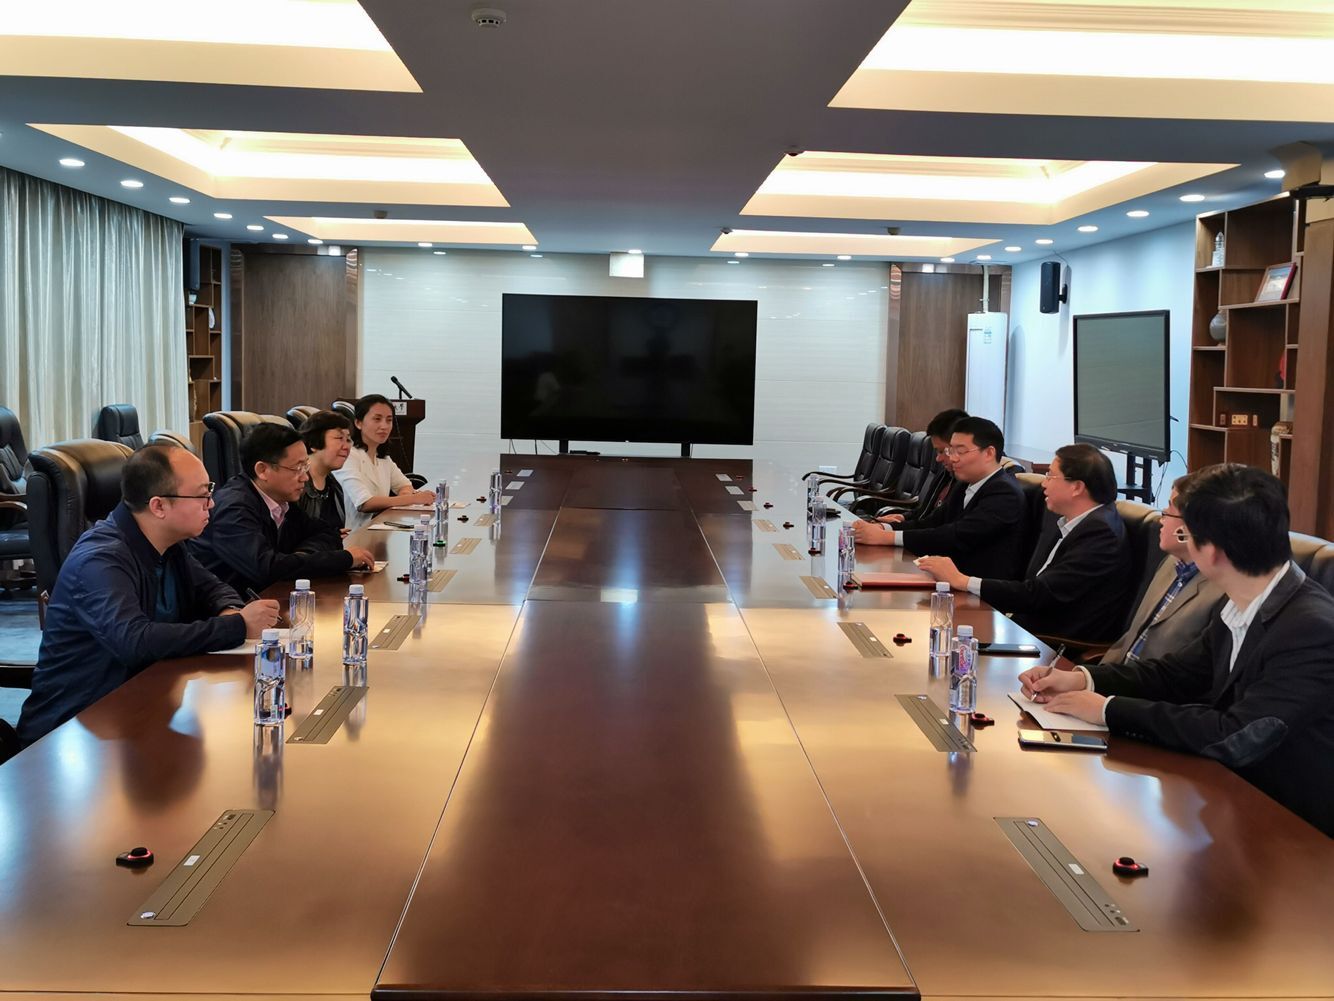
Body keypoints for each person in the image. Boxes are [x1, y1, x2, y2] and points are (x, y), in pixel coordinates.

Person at [1020, 463, 1334, 836]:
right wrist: (1083, 680)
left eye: (1188, 533)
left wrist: (1107, 709)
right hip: (1226, 796)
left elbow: (1238, 735)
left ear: (1211, 550)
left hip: (1292, 826)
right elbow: (1177, 674)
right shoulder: (1242, 600)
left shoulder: (1311, 629)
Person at [17, 445, 279, 746]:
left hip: (145, 706)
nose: (212, 503)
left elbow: (212, 587)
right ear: (158, 506)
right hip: (74, 733)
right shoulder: (100, 560)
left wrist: (230, 609)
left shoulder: (168, 543)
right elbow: (135, 641)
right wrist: (237, 626)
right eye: (202, 495)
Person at [918, 442, 1132, 642]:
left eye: (1051, 476)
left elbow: (1038, 594)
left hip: (1049, 643)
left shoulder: (1100, 535)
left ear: (1077, 487)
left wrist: (962, 581)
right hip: (1023, 626)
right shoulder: (1076, 522)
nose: (1044, 484)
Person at [191, 422, 376, 594]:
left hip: (271, 597)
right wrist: (345, 559)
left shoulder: (280, 499)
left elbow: (327, 532)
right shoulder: (233, 509)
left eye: (306, 466)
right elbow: (267, 569)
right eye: (298, 468)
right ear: (262, 470)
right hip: (232, 606)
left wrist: (302, 555)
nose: (305, 477)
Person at [854, 416, 1027, 581]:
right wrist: (883, 528)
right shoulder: (964, 484)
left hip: (979, 590)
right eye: (951, 450)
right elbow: (931, 522)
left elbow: (956, 535)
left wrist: (886, 537)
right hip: (948, 578)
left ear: (989, 453)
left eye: (960, 451)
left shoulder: (1005, 493)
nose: (952, 458)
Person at [1098, 474, 1225, 664]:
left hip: (1150, 682)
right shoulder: (1170, 563)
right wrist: (1089, 676)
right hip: (1118, 675)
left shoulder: (1222, 593)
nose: (1162, 517)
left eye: (1170, 508)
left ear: (1192, 525)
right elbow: (1130, 639)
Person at [334, 394, 435, 531]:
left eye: (389, 420)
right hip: (355, 534)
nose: (384, 426)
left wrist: (406, 495)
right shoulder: (348, 456)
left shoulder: (383, 458)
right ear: (358, 423)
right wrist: (413, 499)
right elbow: (365, 503)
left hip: (380, 529)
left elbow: (405, 485)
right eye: (377, 419)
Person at [871, 407, 966, 521]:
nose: (938, 459)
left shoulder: (965, 487)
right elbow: (925, 512)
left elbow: (938, 527)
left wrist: (891, 528)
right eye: (937, 452)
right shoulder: (945, 475)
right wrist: (902, 517)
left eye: (942, 451)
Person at [297, 409, 353, 536]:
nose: (346, 447)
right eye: (339, 438)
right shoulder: (297, 483)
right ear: (314, 443)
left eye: (348, 440)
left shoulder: (334, 484)